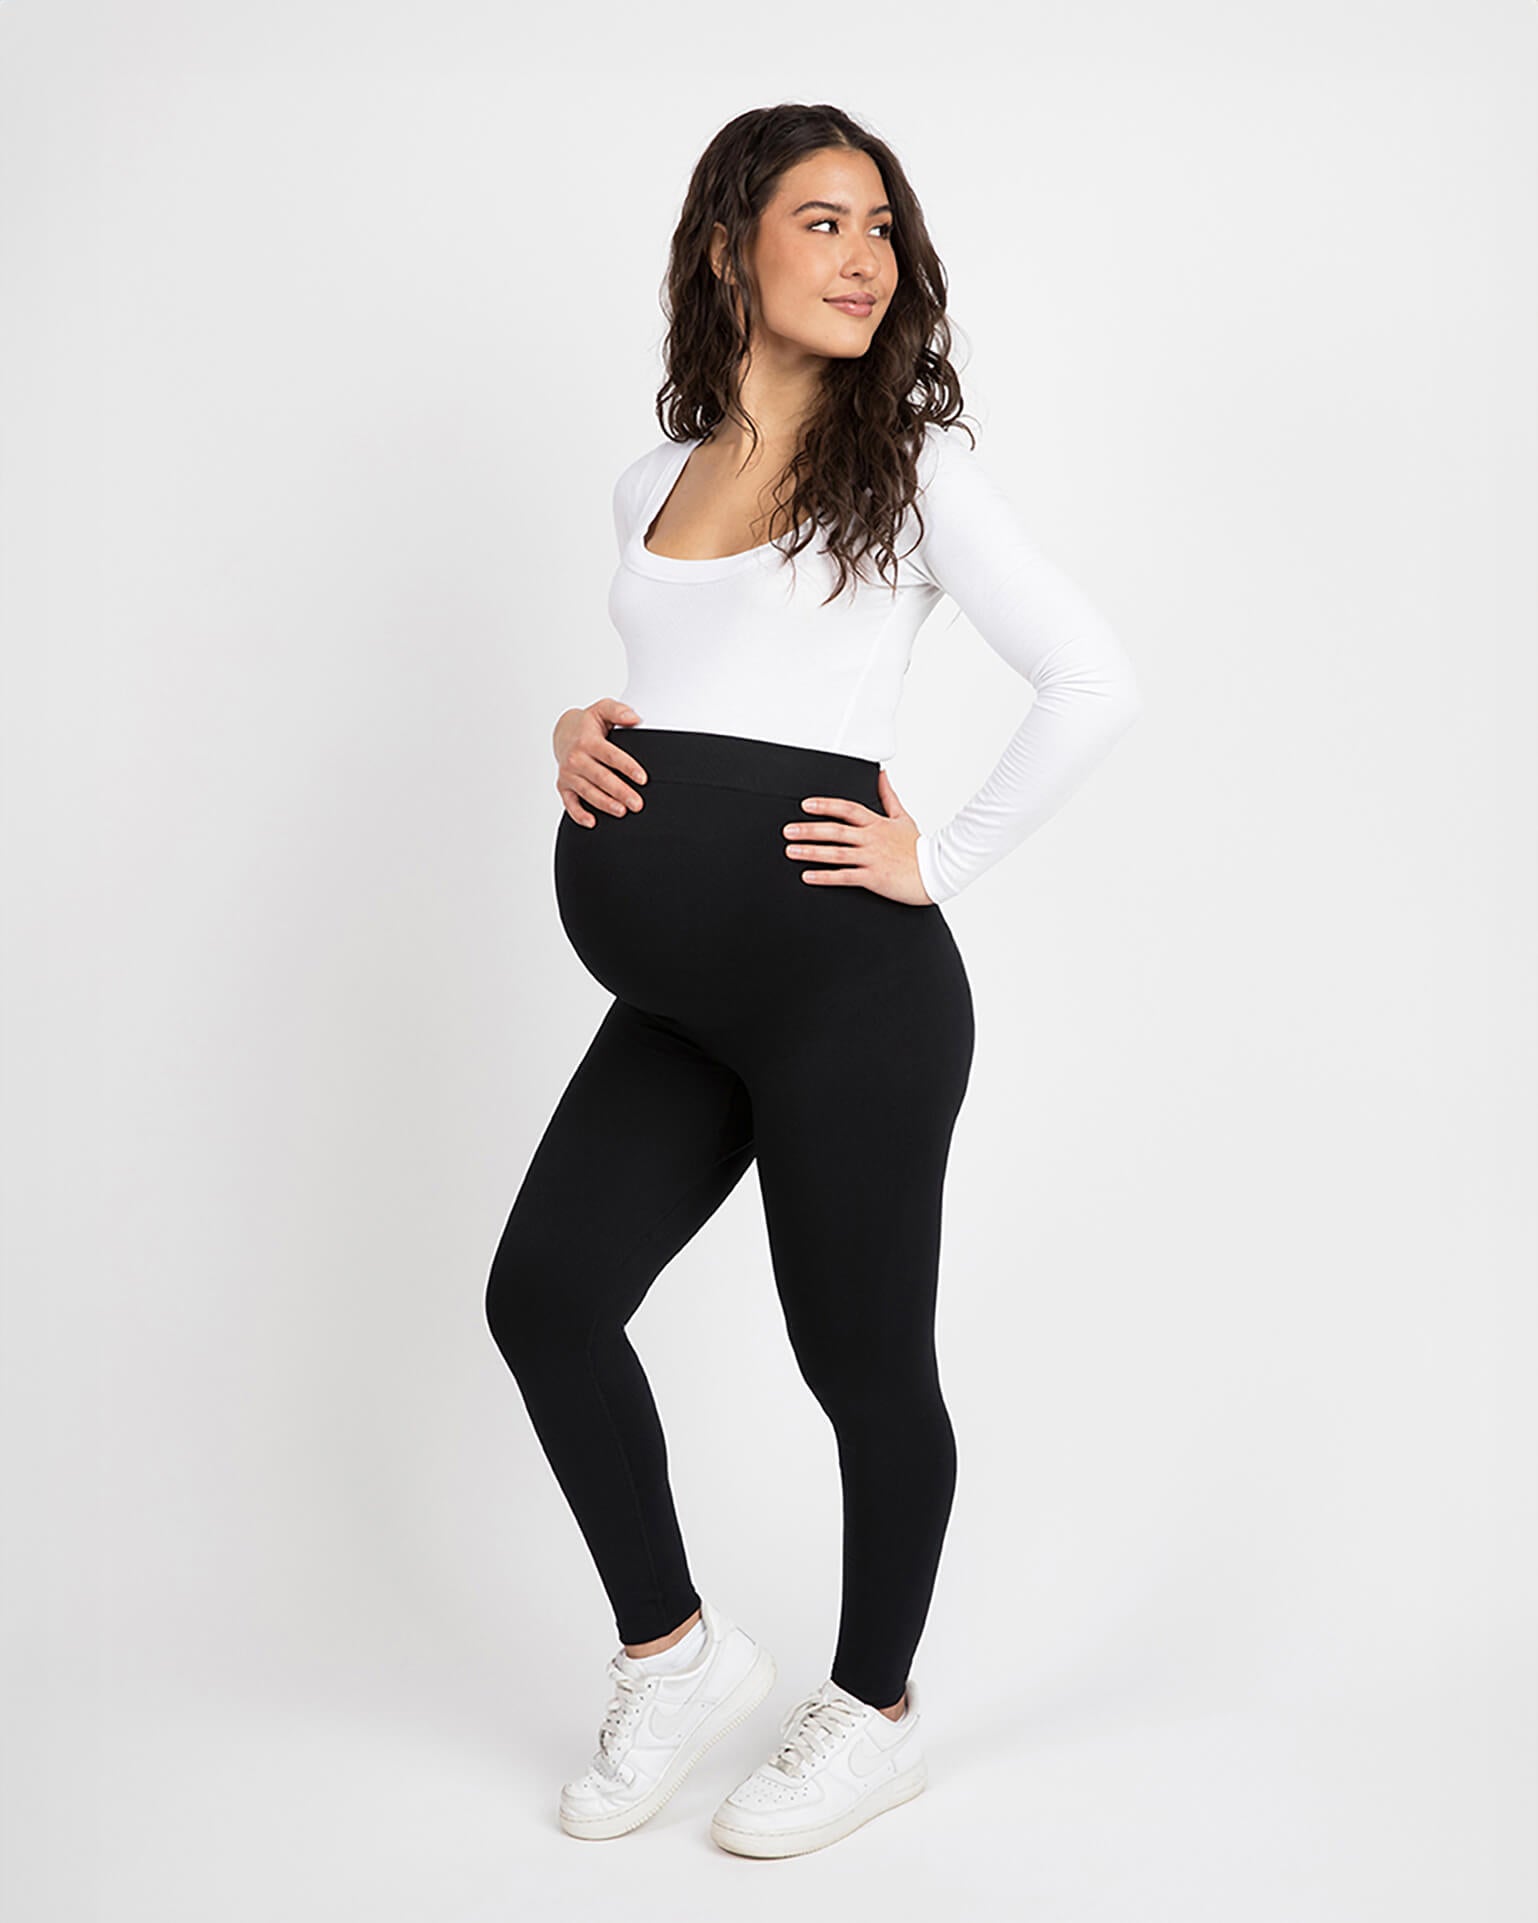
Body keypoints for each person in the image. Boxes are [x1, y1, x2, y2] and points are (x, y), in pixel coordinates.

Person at [484, 101, 1143, 1859]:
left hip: (852, 998)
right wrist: (580, 728)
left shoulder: (909, 472)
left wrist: (946, 857)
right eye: (823, 222)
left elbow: (1091, 679)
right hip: (677, 1006)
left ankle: (873, 1710)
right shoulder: (647, 478)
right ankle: (673, 1654)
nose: (864, 257)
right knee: (545, 1299)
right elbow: (687, 685)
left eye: (881, 228)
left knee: (857, 1360)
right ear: (729, 248)